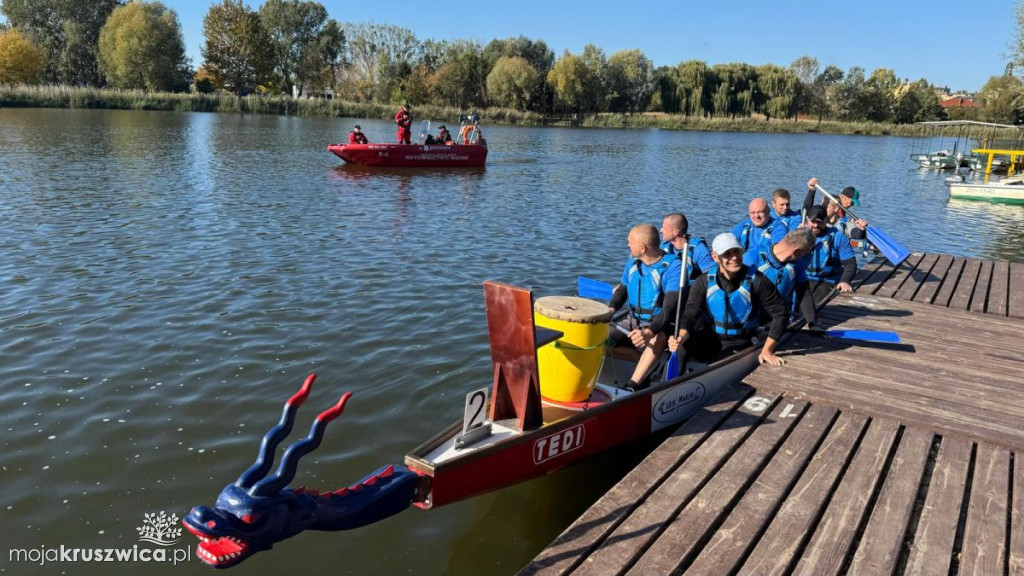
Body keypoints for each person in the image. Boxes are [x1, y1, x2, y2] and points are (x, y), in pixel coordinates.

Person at [668, 233, 790, 366]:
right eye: (727, 253)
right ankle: (667, 384)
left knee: (718, 362)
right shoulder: (703, 281)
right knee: (681, 348)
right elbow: (690, 313)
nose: (734, 257)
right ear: (715, 257)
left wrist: (768, 349)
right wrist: (681, 335)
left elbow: (780, 313)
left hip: (741, 340)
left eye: (737, 251)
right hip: (711, 336)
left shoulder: (758, 280)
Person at [607, 224, 682, 390]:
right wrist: (611, 309)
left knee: (658, 338)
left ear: (642, 247)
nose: (628, 245)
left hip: (660, 323)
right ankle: (640, 359)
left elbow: (669, 308)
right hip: (633, 319)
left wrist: (648, 332)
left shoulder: (673, 267)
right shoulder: (633, 262)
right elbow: (622, 289)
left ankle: (632, 385)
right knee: (602, 342)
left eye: (630, 242)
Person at [755, 228, 817, 325]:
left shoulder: (797, 263)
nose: (805, 256)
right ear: (796, 251)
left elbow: (804, 292)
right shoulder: (753, 258)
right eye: (805, 253)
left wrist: (812, 322)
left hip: (775, 315)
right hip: (749, 316)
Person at [804, 204, 858, 302]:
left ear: (826, 220)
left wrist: (845, 281)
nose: (816, 225)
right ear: (806, 220)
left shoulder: (838, 237)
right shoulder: (799, 234)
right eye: (813, 221)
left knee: (813, 304)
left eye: (820, 222)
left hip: (828, 280)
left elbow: (850, 264)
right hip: (803, 277)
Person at [803, 178, 868, 240]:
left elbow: (857, 234)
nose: (822, 210)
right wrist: (811, 190)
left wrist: (861, 229)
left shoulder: (843, 223)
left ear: (836, 208)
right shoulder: (814, 221)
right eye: (851, 203)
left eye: (825, 207)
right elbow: (806, 211)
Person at [659, 212, 715, 280]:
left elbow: (712, 275)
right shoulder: (664, 248)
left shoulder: (698, 249)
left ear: (675, 232)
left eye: (664, 228)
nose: (661, 230)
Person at [732, 198, 786, 266]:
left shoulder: (779, 228)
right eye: (753, 213)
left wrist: (749, 257)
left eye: (760, 212)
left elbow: (778, 252)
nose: (757, 216)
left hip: (764, 268)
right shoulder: (744, 225)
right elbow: (727, 241)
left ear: (768, 212)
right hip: (742, 266)